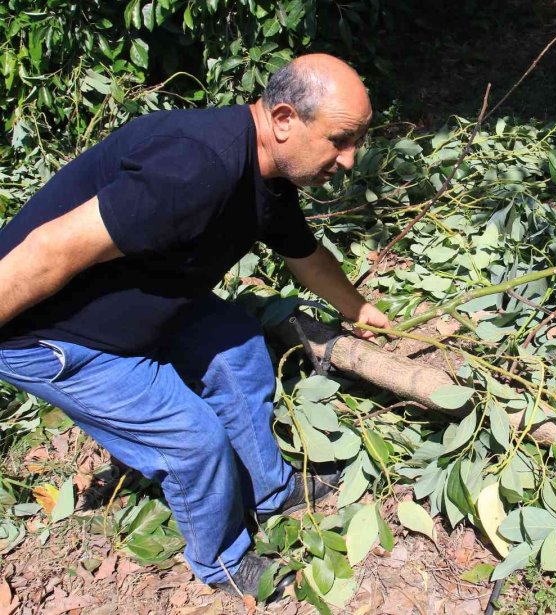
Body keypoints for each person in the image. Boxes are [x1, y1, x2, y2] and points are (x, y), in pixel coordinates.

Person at [0, 53, 389, 599]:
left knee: (239, 351)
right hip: (54, 333)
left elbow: (305, 255)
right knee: (193, 441)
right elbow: (48, 250)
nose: (349, 160)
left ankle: (270, 489)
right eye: (340, 140)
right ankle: (222, 561)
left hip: (143, 298)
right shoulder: (195, 168)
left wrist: (358, 309)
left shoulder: (268, 173)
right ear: (283, 120)